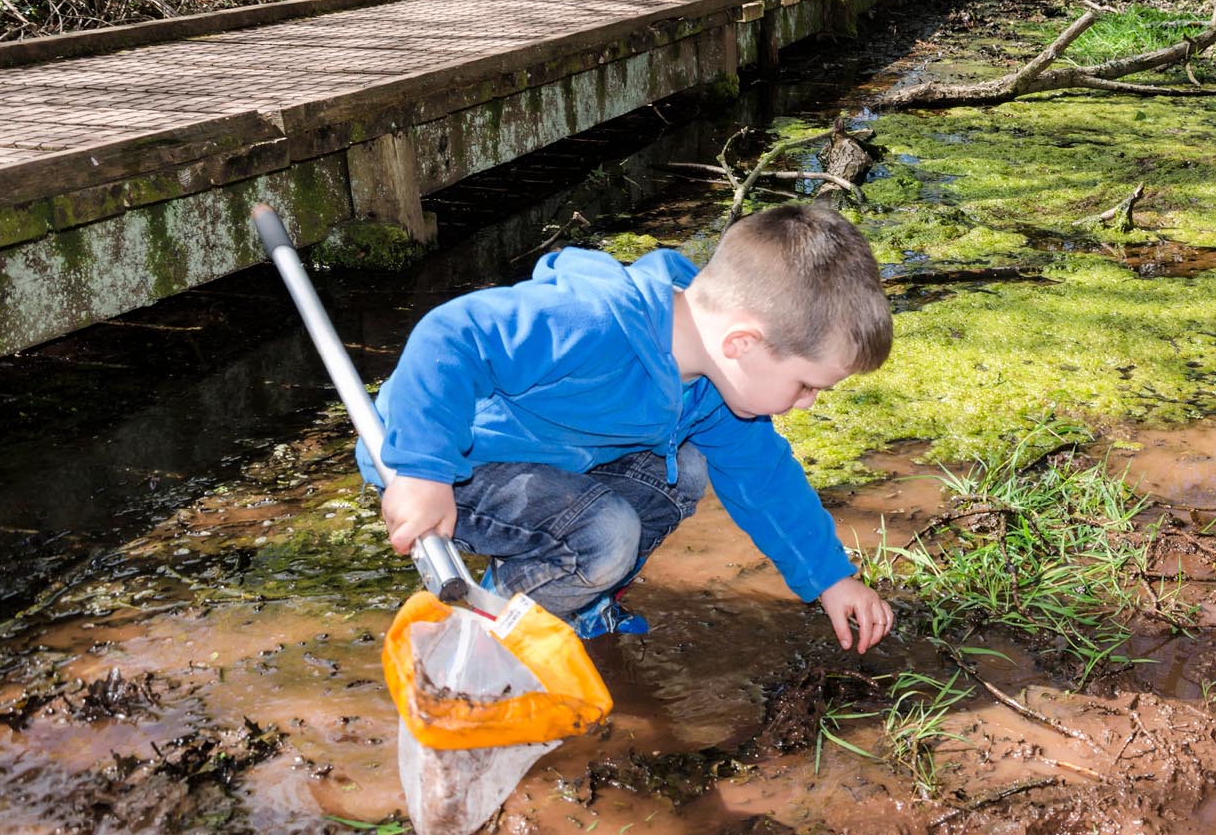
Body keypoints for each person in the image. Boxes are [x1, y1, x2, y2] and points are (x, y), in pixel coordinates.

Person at [356, 204, 895, 652]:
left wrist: (829, 577)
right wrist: (422, 470)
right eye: (805, 385)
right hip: (445, 458)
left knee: (685, 468)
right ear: (742, 344)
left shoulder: (714, 387)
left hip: (553, 464)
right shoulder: (591, 322)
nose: (806, 404)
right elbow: (452, 336)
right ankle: (478, 633)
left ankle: (578, 602)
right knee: (605, 533)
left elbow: (765, 479)